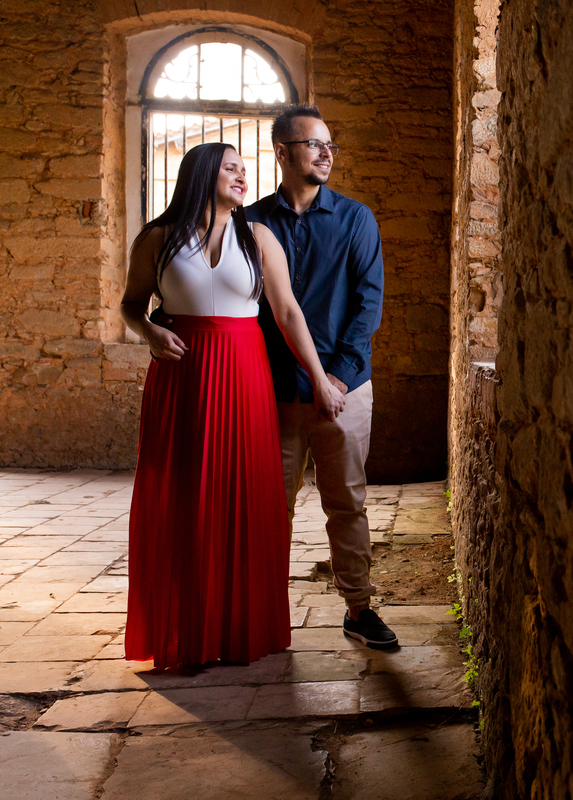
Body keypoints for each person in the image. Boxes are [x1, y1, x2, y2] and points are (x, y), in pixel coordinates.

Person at [121, 142, 346, 669]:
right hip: (183, 378)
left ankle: (241, 628)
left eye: (246, 170)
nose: (243, 177)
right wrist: (150, 333)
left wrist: (320, 379)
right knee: (184, 497)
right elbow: (132, 305)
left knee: (244, 496)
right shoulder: (157, 238)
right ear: (202, 174)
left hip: (245, 374)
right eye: (231, 168)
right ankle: (186, 631)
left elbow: (288, 313)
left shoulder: (259, 236)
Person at [246, 105, 397, 649]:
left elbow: (368, 304)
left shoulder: (357, 219)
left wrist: (339, 377)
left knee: (347, 503)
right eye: (315, 144)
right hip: (275, 393)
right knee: (269, 508)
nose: (328, 154)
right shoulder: (252, 223)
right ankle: (263, 613)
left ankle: (359, 608)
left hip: (345, 390)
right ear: (283, 152)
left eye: (331, 144)